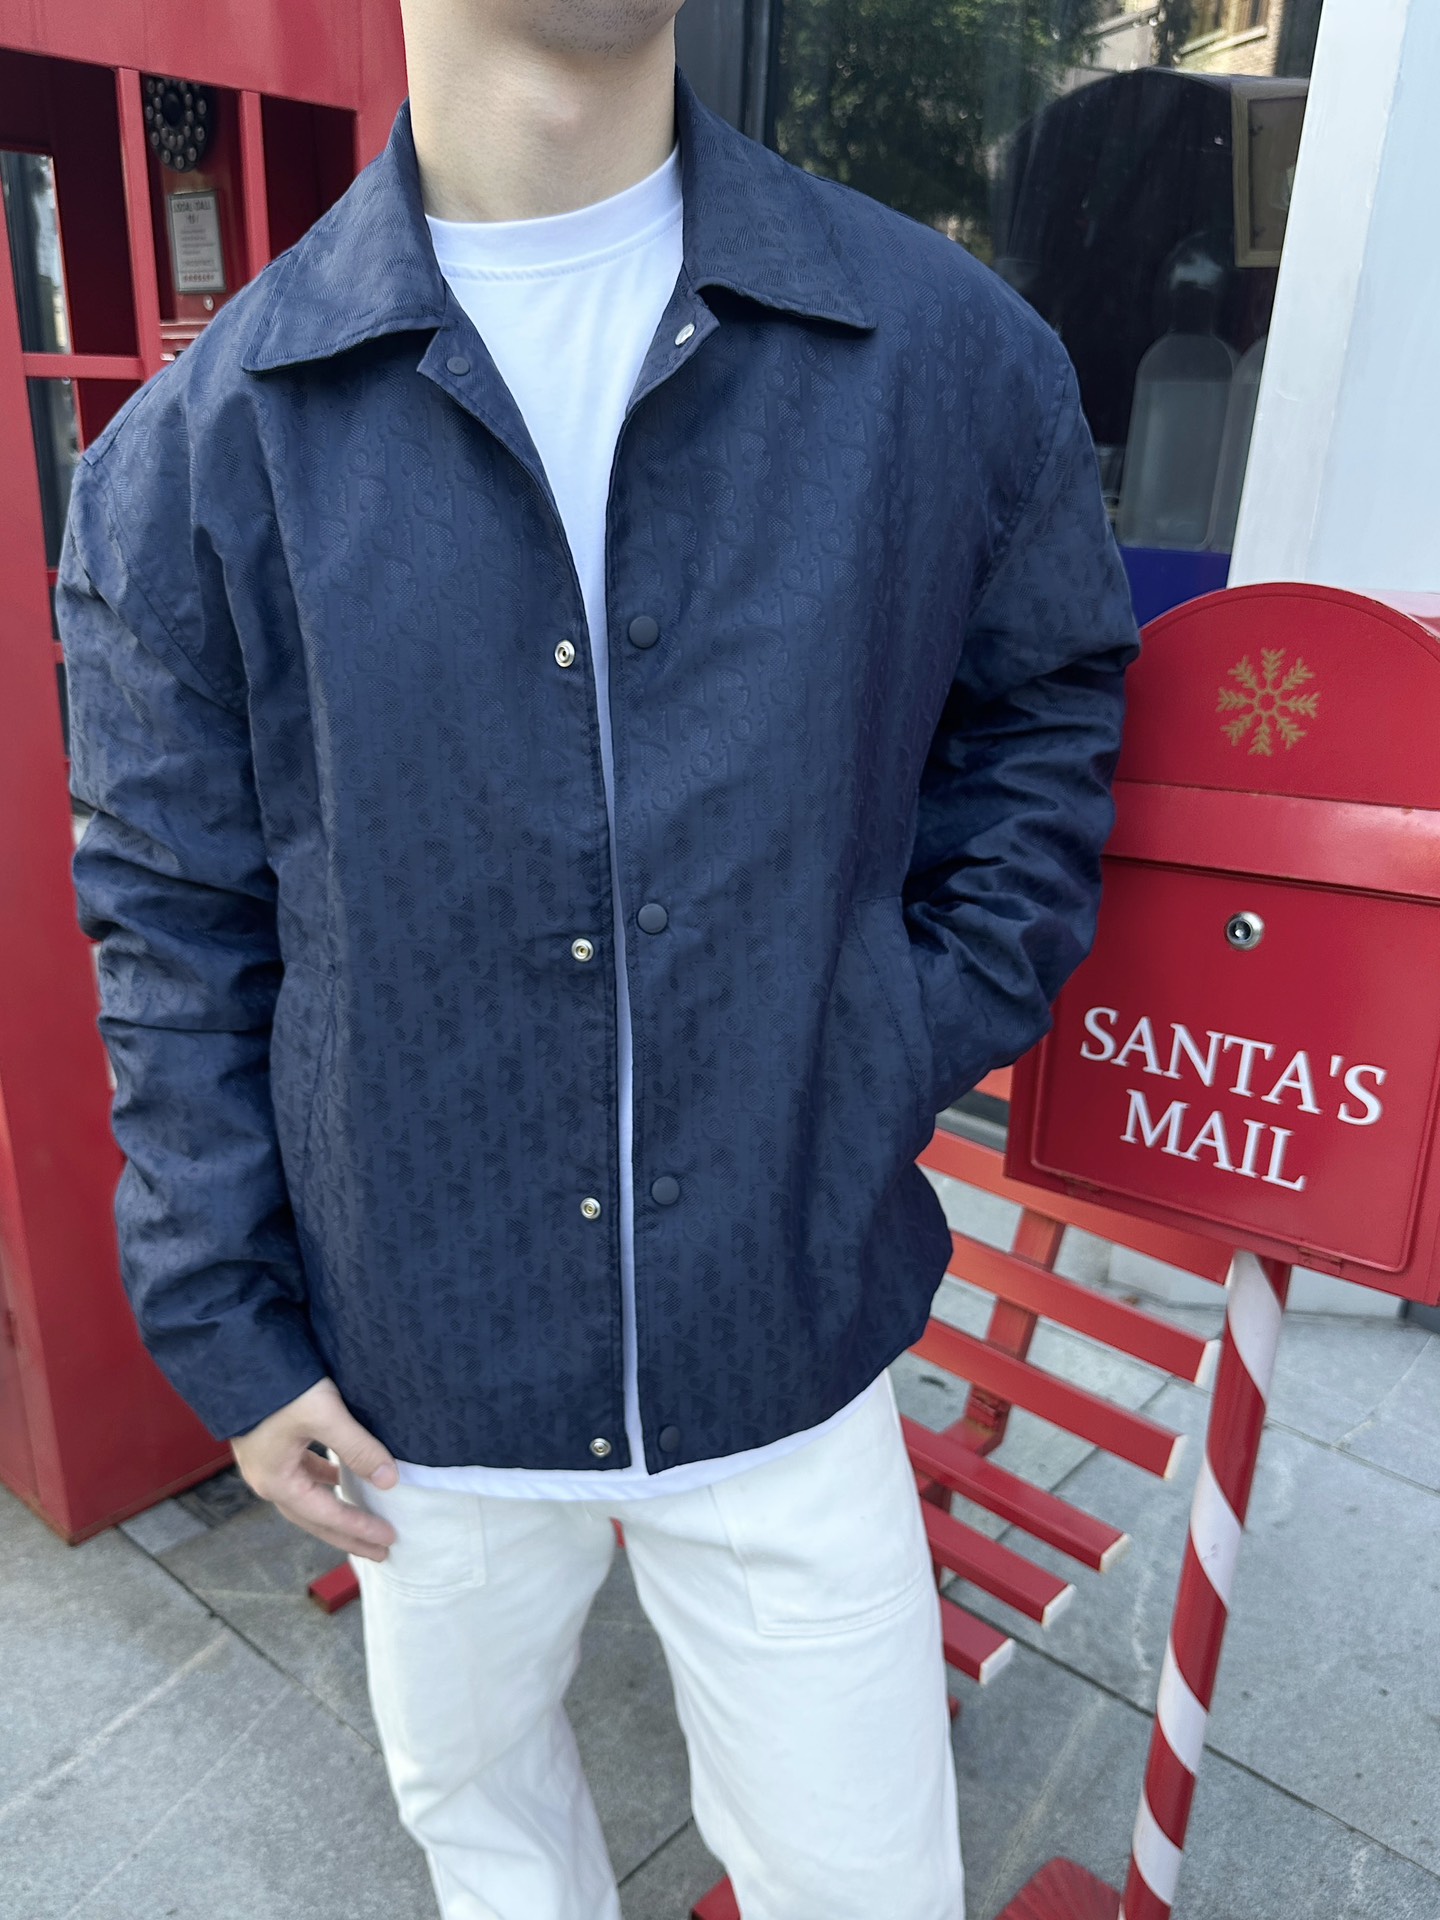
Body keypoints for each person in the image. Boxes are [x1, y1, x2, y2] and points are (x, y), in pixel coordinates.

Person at [59, 4, 1139, 1916]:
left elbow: (1043, 714)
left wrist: (891, 1030)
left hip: (786, 1321)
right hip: (417, 1368)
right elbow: (174, 920)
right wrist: (225, 1322)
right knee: (488, 1845)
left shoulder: (945, 356)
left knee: (866, 1880)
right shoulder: (201, 450)